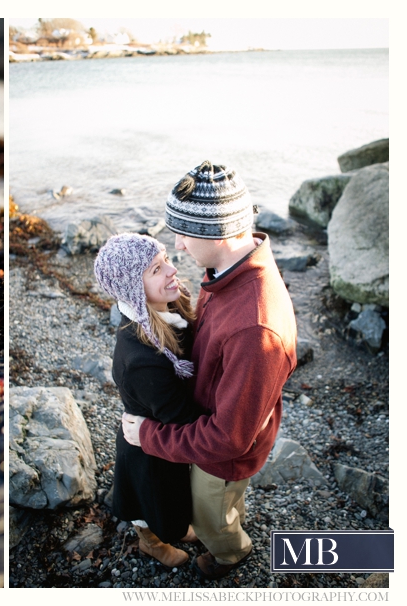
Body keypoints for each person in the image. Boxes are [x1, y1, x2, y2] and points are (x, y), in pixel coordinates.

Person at [121, 160, 298, 580]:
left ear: (216, 233)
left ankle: (230, 553)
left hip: (225, 453)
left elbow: (228, 438)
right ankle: (227, 520)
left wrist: (148, 435)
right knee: (225, 501)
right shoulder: (227, 271)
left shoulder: (255, 327)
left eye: (182, 233)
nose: (178, 246)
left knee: (211, 515)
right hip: (226, 428)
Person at [94, 233, 205, 568]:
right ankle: (151, 543)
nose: (172, 270)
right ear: (133, 289)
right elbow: (180, 415)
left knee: (174, 492)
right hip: (146, 444)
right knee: (150, 498)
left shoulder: (169, 309)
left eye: (167, 259)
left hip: (159, 428)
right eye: (157, 269)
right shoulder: (141, 357)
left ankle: (174, 526)